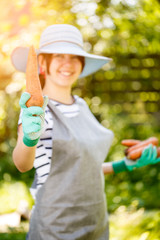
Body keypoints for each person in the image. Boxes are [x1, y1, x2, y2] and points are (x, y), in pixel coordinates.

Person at [11, 24, 160, 240]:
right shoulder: (35, 110)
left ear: (82, 64)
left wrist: (124, 165)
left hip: (95, 224)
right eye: (59, 55)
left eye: (74, 57)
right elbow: (22, 164)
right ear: (43, 63)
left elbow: (81, 167)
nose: (67, 63)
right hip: (55, 228)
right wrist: (29, 138)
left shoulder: (81, 105)